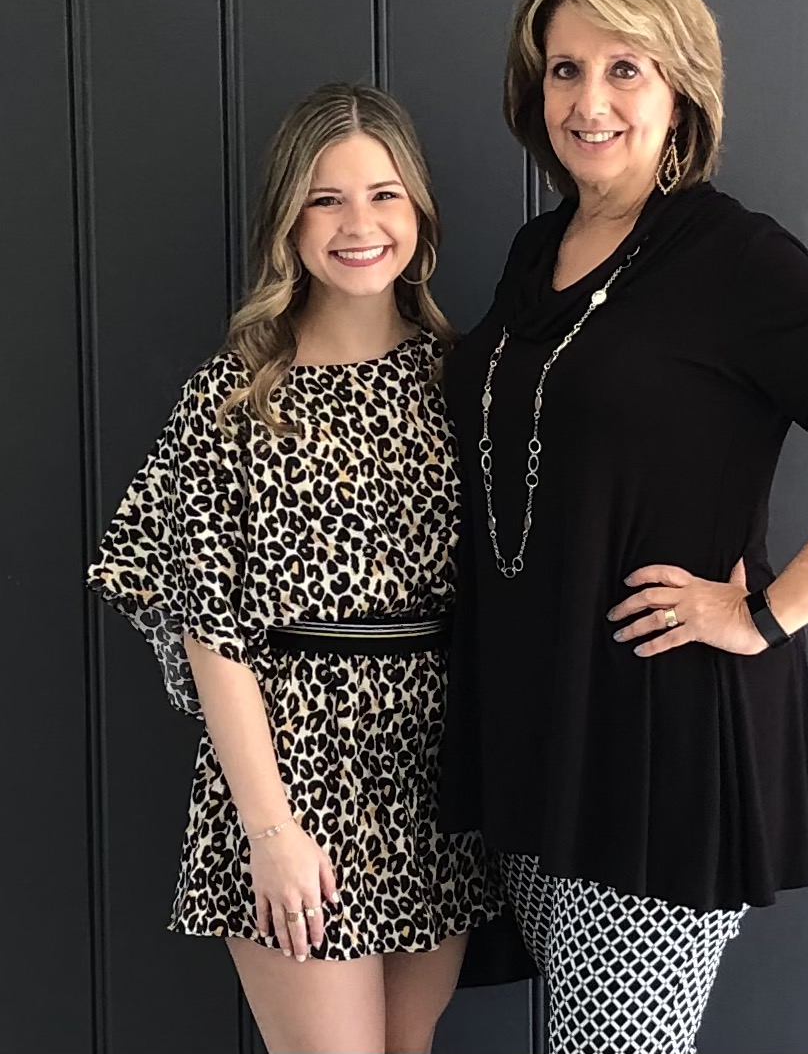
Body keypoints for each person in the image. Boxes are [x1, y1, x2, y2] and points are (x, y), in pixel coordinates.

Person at [437, 0, 808, 1054]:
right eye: (565, 69)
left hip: (655, 751)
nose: (589, 100)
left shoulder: (736, 261)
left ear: (681, 89)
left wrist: (761, 615)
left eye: (626, 68)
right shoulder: (541, 253)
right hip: (543, 734)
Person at [87, 82, 502, 1054]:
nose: (359, 223)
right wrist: (269, 830)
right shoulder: (233, 397)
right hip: (289, 777)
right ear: (289, 220)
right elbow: (207, 626)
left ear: (420, 214)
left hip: (434, 782)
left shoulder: (467, 383)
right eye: (327, 198)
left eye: (384, 194)